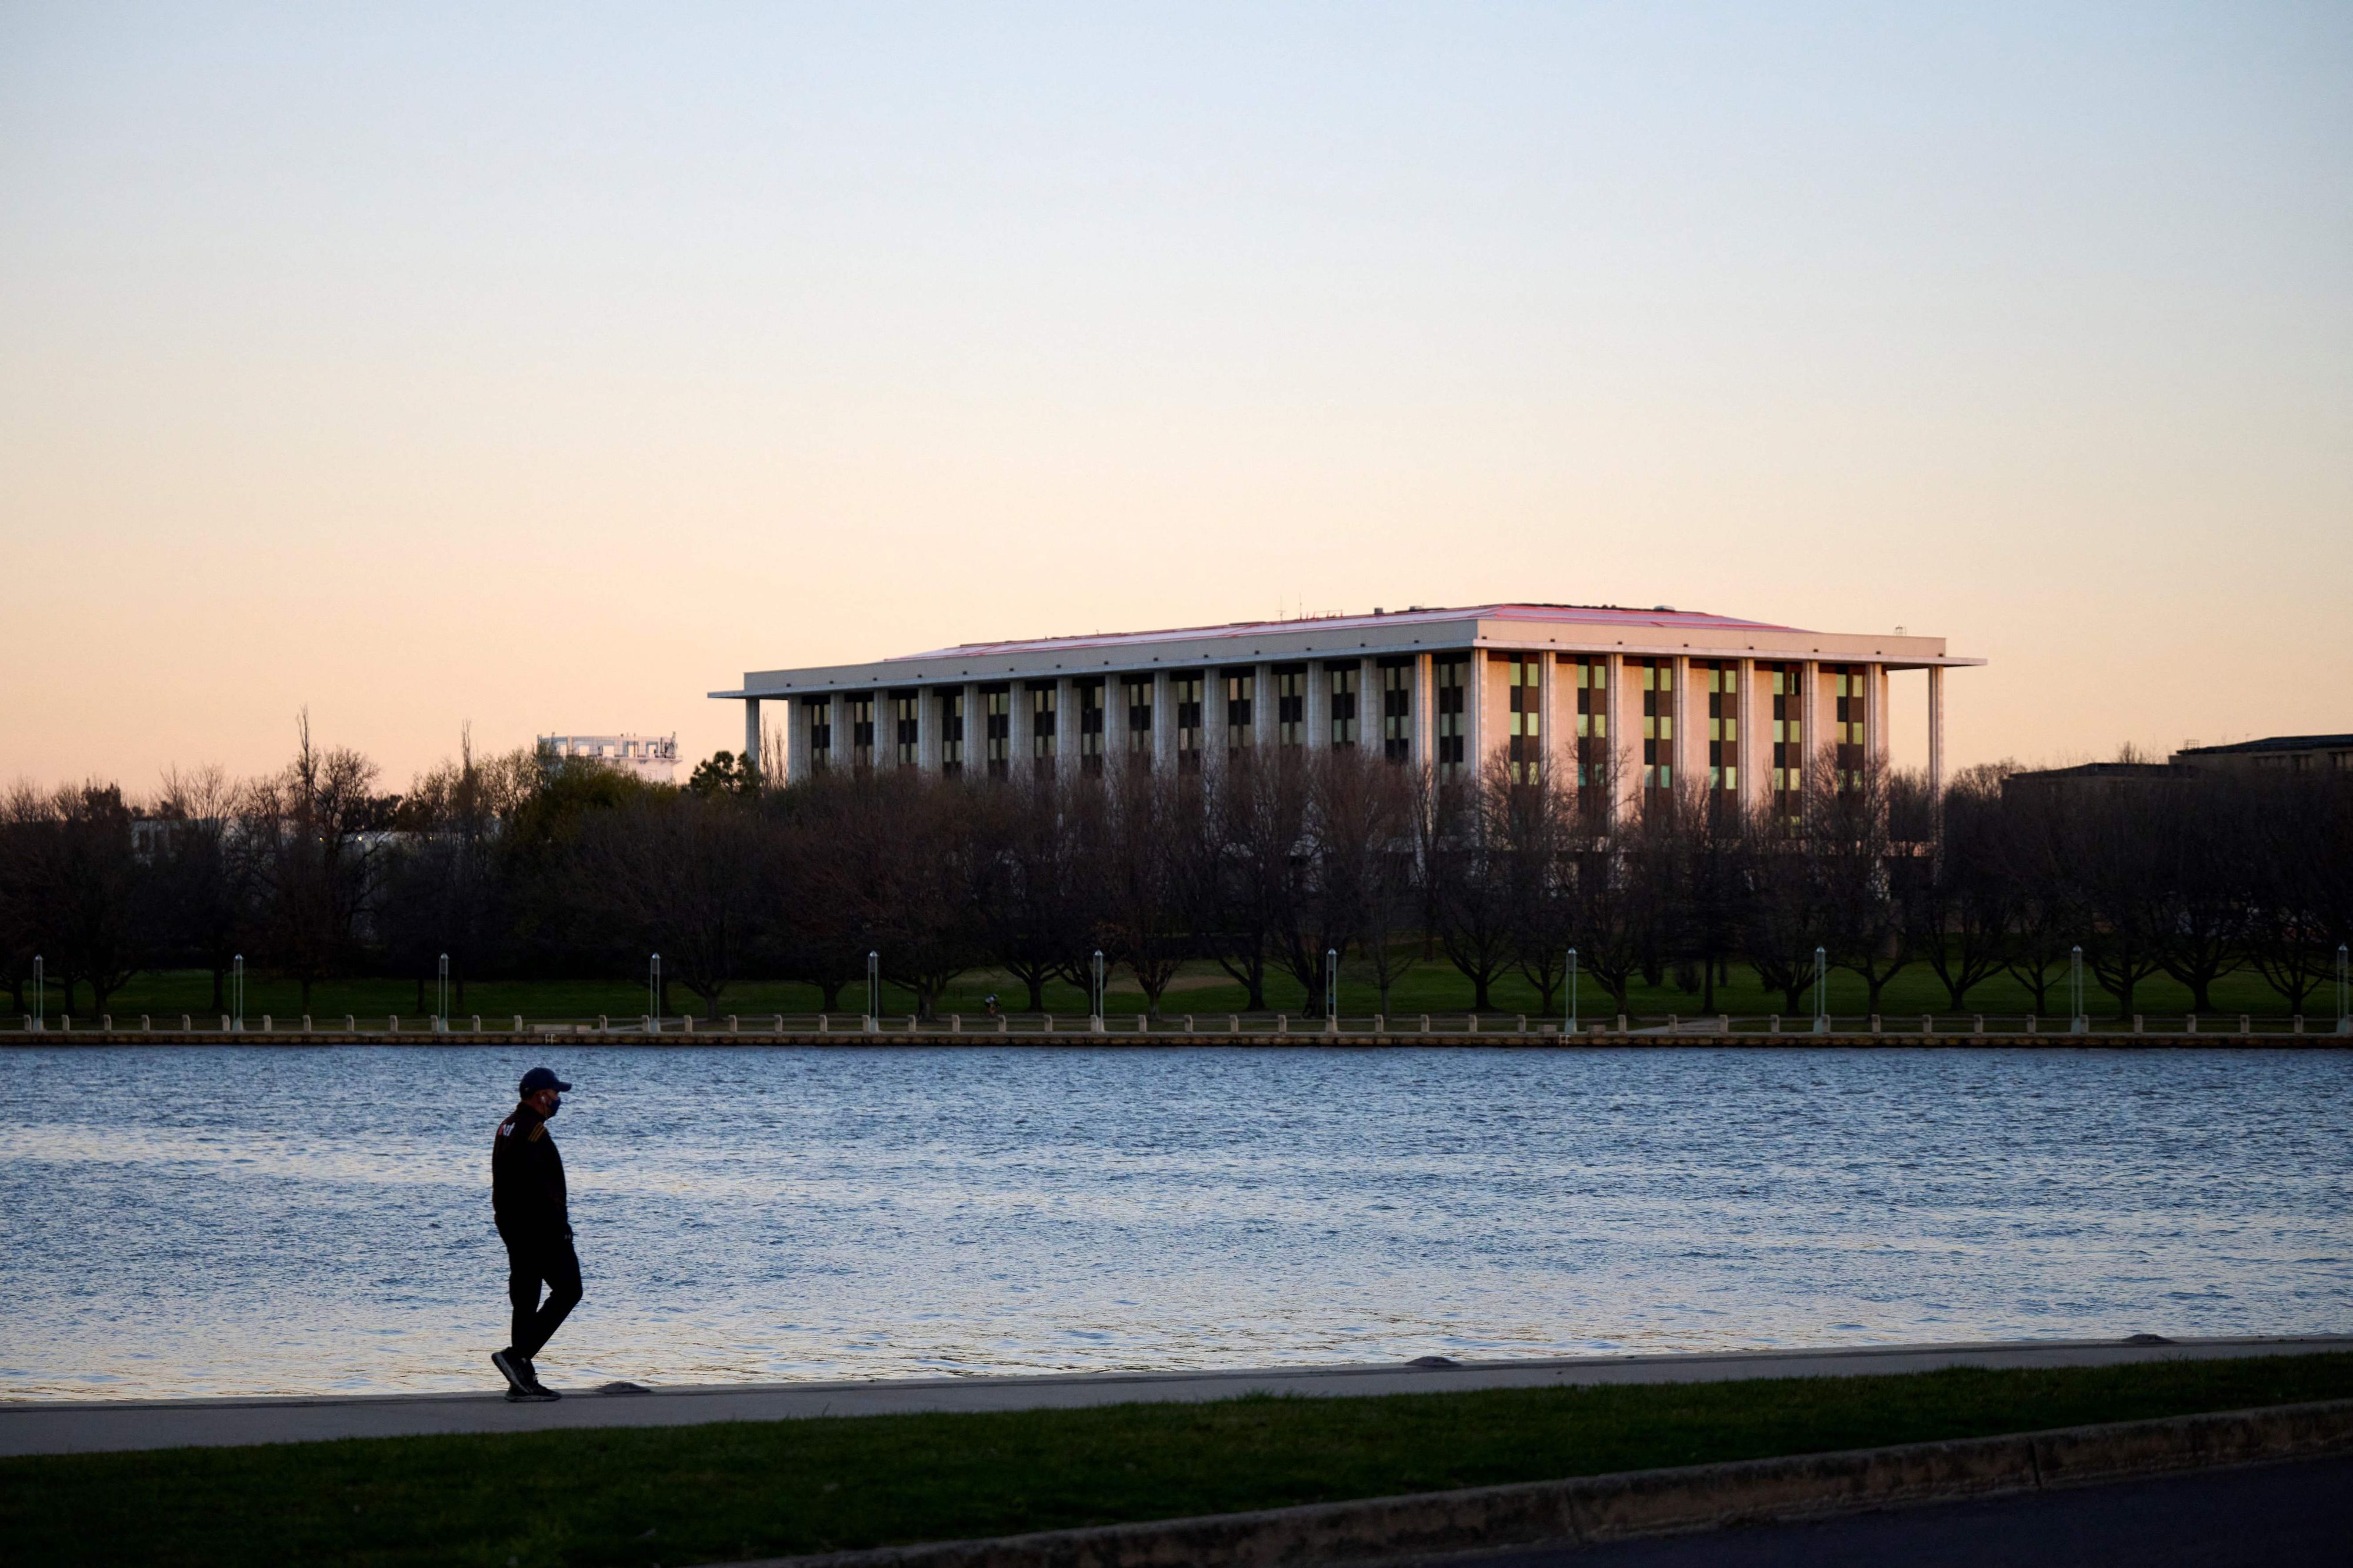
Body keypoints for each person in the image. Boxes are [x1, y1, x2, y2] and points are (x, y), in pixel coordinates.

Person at [489, 1066, 582, 1401]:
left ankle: (521, 1380)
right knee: (570, 1289)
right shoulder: (534, 1132)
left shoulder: (506, 1126)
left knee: (526, 1297)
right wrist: (561, 1228)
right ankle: (518, 1357)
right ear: (541, 1095)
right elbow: (545, 1188)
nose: (558, 1099)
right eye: (555, 1093)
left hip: (512, 1225)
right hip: (538, 1228)